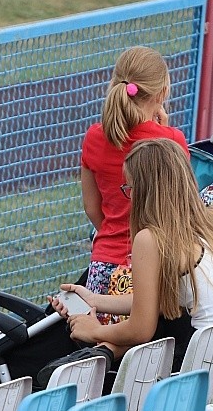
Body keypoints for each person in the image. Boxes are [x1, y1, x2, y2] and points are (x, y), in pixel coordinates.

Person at [44, 138, 213, 378]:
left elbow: (140, 329)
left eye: (129, 189)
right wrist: (94, 300)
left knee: (144, 344)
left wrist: (95, 332)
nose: (129, 197)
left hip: (212, 375)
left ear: (144, 192)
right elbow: (155, 301)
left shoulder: (151, 239)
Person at [79, 46, 190, 321]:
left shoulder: (94, 137)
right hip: (153, 270)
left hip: (103, 268)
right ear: (162, 93)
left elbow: (93, 209)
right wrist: (165, 130)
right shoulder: (172, 141)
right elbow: (180, 212)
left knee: (96, 355)